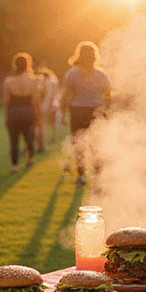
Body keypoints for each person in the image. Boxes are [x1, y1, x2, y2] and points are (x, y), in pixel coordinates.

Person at [59, 40, 111, 185]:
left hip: (78, 112)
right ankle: (97, 176)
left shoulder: (72, 74)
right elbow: (108, 96)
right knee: (96, 145)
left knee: (79, 145)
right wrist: (107, 111)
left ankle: (81, 176)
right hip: (97, 112)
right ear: (95, 56)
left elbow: (65, 98)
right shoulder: (101, 74)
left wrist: (62, 114)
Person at [2, 53, 43, 172]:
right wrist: (38, 113)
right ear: (27, 65)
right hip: (28, 111)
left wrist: (6, 116)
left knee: (13, 139)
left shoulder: (9, 80)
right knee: (29, 136)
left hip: (13, 111)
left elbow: (6, 101)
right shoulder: (33, 80)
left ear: (14, 65)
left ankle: (14, 165)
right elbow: (36, 99)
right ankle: (29, 159)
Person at [35, 65, 60, 152]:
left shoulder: (44, 81)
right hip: (54, 104)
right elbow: (56, 92)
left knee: (41, 124)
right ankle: (52, 137)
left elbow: (46, 94)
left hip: (45, 105)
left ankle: (41, 144)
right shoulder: (54, 80)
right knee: (52, 123)